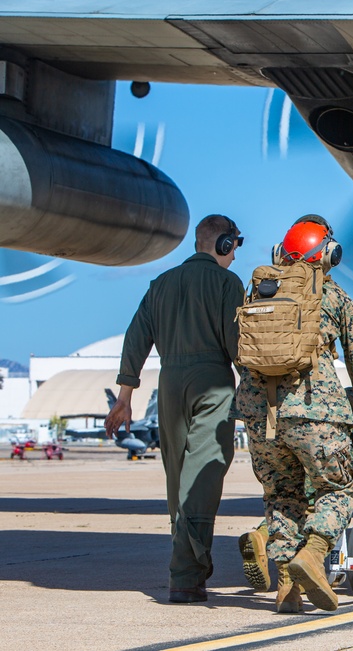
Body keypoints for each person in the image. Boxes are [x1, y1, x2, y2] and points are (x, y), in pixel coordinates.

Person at [231, 215, 353, 614]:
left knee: (282, 495)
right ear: (330, 255)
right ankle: (313, 554)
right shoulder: (334, 298)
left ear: (281, 253)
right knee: (340, 487)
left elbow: (243, 354)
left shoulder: (259, 292)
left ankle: (286, 588)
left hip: (259, 416)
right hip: (316, 412)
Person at [104, 214, 246, 604]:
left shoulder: (160, 284)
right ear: (224, 244)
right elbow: (238, 346)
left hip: (169, 383)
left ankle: (186, 568)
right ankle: (186, 575)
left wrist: (125, 397)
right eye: (236, 245)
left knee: (177, 478)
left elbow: (136, 338)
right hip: (211, 381)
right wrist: (254, 390)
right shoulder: (227, 283)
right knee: (202, 475)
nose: (236, 255)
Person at [237, 358, 353, 593]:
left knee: (295, 499)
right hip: (343, 452)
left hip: (308, 429)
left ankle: (262, 536)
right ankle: (307, 567)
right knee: (329, 507)